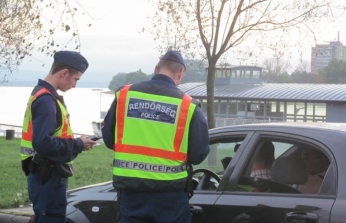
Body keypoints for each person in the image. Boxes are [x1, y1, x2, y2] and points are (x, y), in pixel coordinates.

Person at [102, 50, 210, 223]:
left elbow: (108, 139)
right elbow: (198, 154)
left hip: (132, 194)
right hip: (170, 198)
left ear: (155, 69)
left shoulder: (124, 96)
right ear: (181, 73)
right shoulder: (188, 106)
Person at [20, 51, 97, 223]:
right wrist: (78, 144)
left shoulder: (39, 93)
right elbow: (43, 143)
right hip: (48, 177)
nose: (75, 85)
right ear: (64, 73)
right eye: (76, 79)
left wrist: (78, 143)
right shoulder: (47, 101)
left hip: (41, 174)